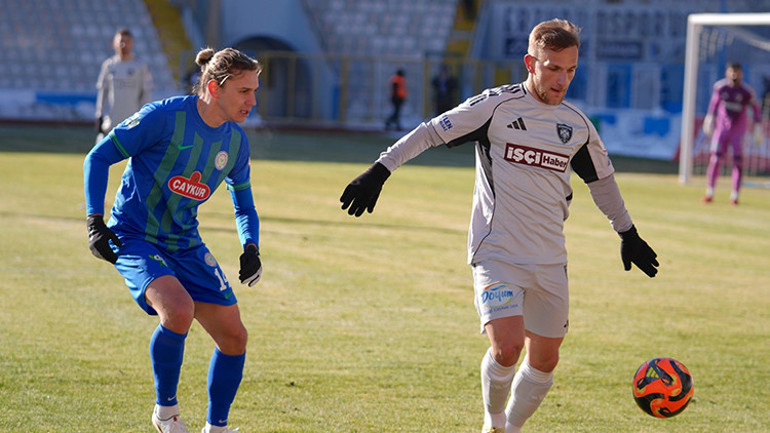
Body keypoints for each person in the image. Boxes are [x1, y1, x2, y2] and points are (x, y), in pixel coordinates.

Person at [340, 19, 658, 433]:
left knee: (546, 360)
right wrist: (380, 169)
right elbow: (431, 132)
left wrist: (627, 233)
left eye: (570, 70)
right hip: (498, 250)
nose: (562, 79)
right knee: (508, 349)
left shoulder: (577, 126)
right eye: (552, 68)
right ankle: (493, 420)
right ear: (530, 62)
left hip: (550, 258)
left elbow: (603, 182)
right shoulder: (496, 108)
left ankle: (510, 428)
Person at [84, 47, 263, 433]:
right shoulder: (163, 118)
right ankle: (166, 414)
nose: (253, 100)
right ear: (214, 88)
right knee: (178, 310)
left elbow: (244, 206)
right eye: (244, 91)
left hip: (184, 241)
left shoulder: (235, 142)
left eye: (254, 90)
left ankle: (216, 427)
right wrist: (95, 222)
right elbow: (97, 158)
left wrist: (251, 246)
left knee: (234, 337)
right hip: (135, 235)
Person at [701, 62, 762, 206]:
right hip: (721, 130)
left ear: (741, 73)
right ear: (727, 73)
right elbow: (714, 104)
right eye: (732, 72)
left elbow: (756, 109)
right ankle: (710, 192)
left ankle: (735, 195)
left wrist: (758, 125)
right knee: (715, 159)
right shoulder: (720, 88)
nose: (734, 75)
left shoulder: (747, 92)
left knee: (738, 162)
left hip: (738, 132)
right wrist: (710, 117)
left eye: (737, 72)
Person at [95, 28, 154, 142]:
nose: (123, 44)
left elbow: (146, 94)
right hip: (111, 122)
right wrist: (99, 114)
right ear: (114, 44)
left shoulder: (140, 66)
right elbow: (103, 92)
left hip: (133, 122)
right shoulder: (109, 65)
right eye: (120, 41)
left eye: (126, 41)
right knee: (102, 156)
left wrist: (144, 116)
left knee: (133, 157)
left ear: (132, 44)